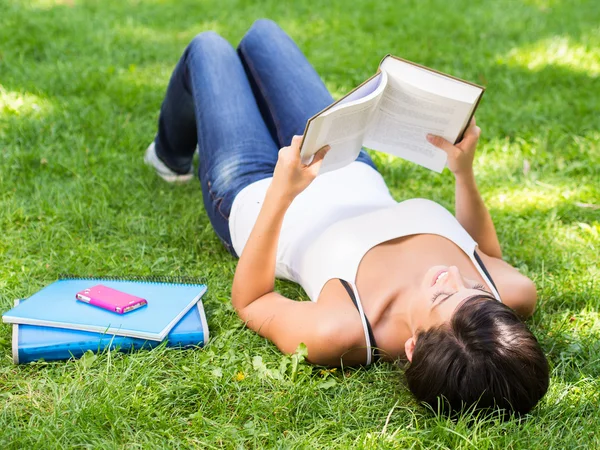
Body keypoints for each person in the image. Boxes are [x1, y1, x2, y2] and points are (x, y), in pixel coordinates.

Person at [145, 19, 549, 416]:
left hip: (254, 189)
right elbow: (484, 252)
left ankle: (170, 155)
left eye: (443, 295)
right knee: (263, 36)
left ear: (413, 348)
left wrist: (281, 192)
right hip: (341, 157)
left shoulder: (342, 331)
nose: (454, 275)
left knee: (209, 48)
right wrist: (463, 172)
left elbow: (253, 301)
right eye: (476, 289)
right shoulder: (511, 293)